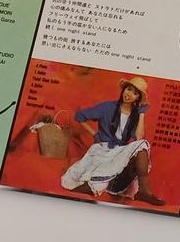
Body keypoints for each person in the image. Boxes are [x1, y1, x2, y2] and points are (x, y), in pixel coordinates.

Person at [61, 77, 165, 205]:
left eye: (135, 93)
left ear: (137, 98)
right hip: (103, 150)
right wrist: (95, 134)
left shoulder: (135, 115)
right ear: (124, 89)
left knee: (142, 145)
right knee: (98, 185)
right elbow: (80, 116)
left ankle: (144, 191)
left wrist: (141, 114)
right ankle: (68, 198)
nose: (129, 94)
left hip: (119, 153)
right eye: (129, 89)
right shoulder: (107, 107)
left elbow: (138, 138)